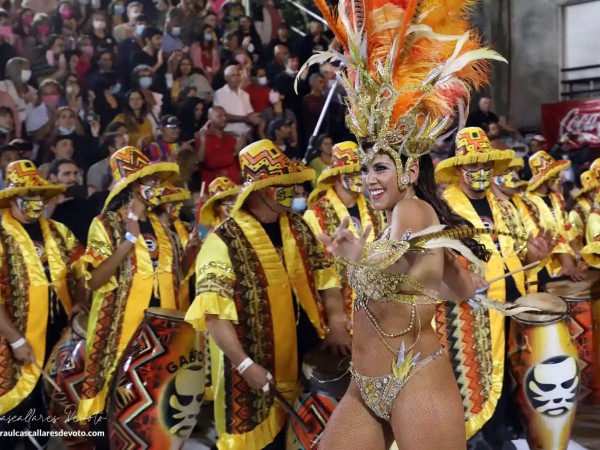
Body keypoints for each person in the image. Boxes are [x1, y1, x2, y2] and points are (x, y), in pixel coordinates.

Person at [302, 1, 521, 449]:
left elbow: (419, 270)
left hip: (414, 381)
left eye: (379, 168)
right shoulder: (391, 221)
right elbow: (439, 283)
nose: (368, 179)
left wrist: (362, 257)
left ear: (406, 171)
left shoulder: (413, 209)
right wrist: (457, 280)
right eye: (364, 170)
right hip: (366, 388)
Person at [185, 139, 350, 450]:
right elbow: (213, 315)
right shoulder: (223, 241)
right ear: (261, 189)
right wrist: (245, 365)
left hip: (305, 361)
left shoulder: (298, 227)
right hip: (252, 371)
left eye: (292, 183)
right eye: (282, 184)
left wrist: (338, 325)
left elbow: (327, 278)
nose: (292, 190)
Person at [434, 128, 555, 448]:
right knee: (478, 373)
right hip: (471, 308)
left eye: (485, 166)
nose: (479, 173)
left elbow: (518, 251)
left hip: (512, 299)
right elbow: (440, 259)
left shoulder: (503, 205)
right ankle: (479, 436)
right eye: (472, 166)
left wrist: (534, 255)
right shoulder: (444, 207)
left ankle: (505, 431)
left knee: (511, 371)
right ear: (459, 170)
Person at [77, 146, 197, 447]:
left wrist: (192, 250)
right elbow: (93, 280)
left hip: (160, 333)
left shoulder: (164, 227)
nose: (156, 188)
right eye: (150, 182)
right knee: (113, 396)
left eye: (157, 182)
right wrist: (127, 240)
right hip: (121, 329)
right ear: (131, 187)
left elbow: (174, 277)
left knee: (150, 405)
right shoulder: (106, 224)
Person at [0, 160, 86, 449]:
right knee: (12, 413)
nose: (36, 202)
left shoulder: (59, 231)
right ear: (13, 197)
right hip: (12, 338)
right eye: (29, 196)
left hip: (58, 337)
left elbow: (81, 271)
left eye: (39, 196)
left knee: (45, 409)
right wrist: (15, 340)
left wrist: (80, 301)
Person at [304, 141, 385, 323]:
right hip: (339, 312)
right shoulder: (315, 215)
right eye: (353, 171)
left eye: (363, 171)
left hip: (377, 307)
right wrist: (336, 318)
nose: (360, 176)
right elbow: (317, 272)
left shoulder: (375, 210)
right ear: (338, 174)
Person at [45, 158, 96, 245]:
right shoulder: (44, 202)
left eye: (75, 173)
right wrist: (52, 204)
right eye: (66, 174)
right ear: (53, 177)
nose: (73, 178)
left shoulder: (85, 203)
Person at [195, 106, 242, 185]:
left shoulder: (231, 138)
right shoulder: (203, 138)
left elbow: (238, 164)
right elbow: (210, 162)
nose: (224, 118)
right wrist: (234, 153)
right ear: (210, 118)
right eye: (220, 116)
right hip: (214, 188)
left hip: (236, 185)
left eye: (225, 115)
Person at [213, 64, 260, 137]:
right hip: (229, 135)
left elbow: (250, 113)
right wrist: (245, 119)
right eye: (232, 75)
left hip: (246, 134)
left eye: (238, 75)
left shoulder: (245, 94)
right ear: (226, 78)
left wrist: (256, 116)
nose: (236, 78)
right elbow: (222, 116)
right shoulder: (219, 94)